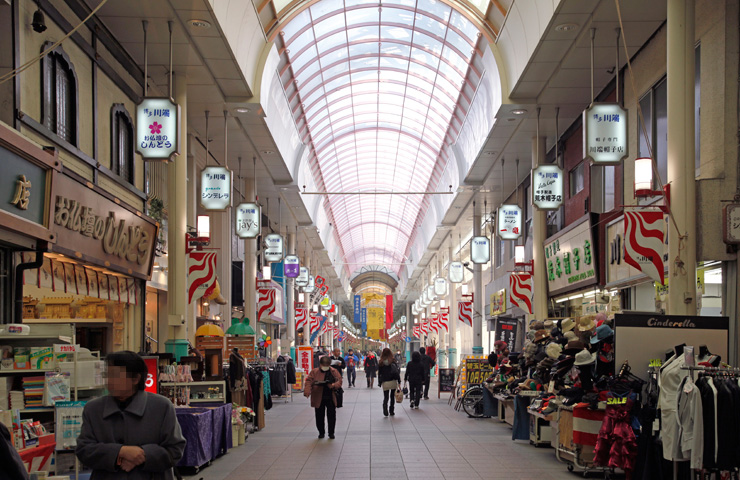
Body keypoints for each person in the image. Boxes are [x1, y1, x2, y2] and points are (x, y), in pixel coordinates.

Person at [76, 351, 186, 479]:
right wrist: (120, 452)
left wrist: (143, 455)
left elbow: (175, 449)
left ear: (136, 378)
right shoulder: (93, 409)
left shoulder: (162, 407)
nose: (109, 381)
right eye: (107, 375)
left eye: (115, 376)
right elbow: (84, 450)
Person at [303, 355, 342, 439]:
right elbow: (309, 381)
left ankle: (331, 433)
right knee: (319, 415)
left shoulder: (334, 371)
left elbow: (339, 380)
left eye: (326, 365)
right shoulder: (314, 372)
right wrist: (307, 390)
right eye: (323, 365)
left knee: (331, 416)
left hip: (331, 396)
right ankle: (321, 432)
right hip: (318, 396)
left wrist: (334, 385)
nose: (325, 367)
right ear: (320, 364)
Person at [377, 348, 401, 416]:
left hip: (385, 382)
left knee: (386, 397)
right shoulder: (393, 361)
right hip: (393, 381)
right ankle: (391, 410)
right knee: (392, 397)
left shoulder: (381, 362)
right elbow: (396, 372)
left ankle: (385, 409)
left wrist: (379, 382)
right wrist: (399, 381)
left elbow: (380, 373)